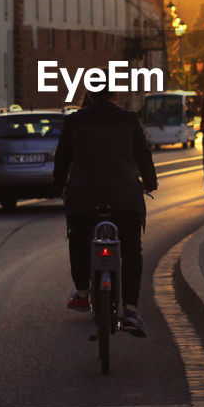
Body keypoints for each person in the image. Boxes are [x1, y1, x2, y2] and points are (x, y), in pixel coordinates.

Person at [53, 86, 158, 337]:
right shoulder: (129, 119)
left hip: (84, 196)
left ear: (89, 94)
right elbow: (143, 156)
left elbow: (62, 159)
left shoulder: (74, 121)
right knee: (132, 249)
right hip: (124, 197)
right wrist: (150, 182)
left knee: (78, 239)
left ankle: (81, 292)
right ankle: (130, 309)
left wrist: (60, 187)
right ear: (114, 95)